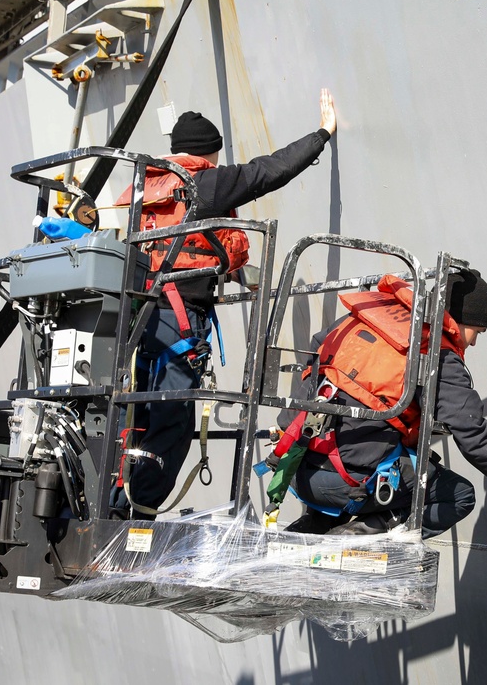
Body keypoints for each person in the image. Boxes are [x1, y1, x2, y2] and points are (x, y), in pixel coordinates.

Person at [113, 89, 338, 518]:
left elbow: (173, 246)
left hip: (142, 317)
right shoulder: (205, 182)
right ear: (209, 153)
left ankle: (118, 501)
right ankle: (136, 514)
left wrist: (231, 269)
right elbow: (266, 172)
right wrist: (321, 135)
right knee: (175, 421)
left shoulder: (150, 186)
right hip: (180, 320)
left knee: (139, 414)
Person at [277, 268, 487, 537]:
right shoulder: (435, 352)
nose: (473, 343)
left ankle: (313, 525)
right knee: (457, 495)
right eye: (477, 332)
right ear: (460, 320)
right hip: (344, 481)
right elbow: (474, 436)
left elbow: (315, 354)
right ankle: (360, 537)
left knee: (376, 444)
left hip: (293, 466)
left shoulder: (369, 318)